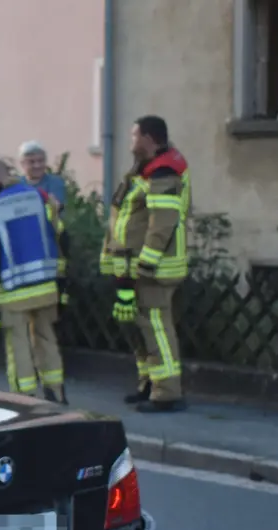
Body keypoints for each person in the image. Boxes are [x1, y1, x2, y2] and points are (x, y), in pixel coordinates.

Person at [0, 158, 69, 402]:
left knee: (18, 346)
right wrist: (61, 277)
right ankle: (56, 394)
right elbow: (61, 237)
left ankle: (24, 399)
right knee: (46, 338)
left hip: (13, 291)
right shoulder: (41, 198)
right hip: (47, 286)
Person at [100, 115, 190, 413]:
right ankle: (149, 384)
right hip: (134, 267)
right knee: (140, 330)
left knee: (157, 330)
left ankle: (167, 394)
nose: (131, 142)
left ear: (149, 139)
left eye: (134, 136)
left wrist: (147, 264)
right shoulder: (144, 171)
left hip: (153, 269)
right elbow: (124, 218)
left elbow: (161, 225)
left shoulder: (165, 172)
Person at [18, 141, 68, 212]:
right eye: (31, 162)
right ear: (22, 164)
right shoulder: (16, 184)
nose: (37, 165)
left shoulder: (55, 182)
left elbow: (56, 207)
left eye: (40, 161)